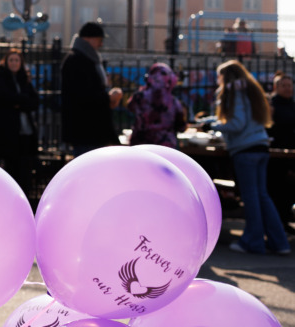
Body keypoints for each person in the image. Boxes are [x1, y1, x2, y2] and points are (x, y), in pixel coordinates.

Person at [203, 60, 290, 255]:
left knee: (250, 198)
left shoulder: (233, 92)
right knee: (262, 196)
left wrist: (213, 126)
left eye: (220, 76)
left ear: (226, 76)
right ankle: (279, 242)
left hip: (245, 150)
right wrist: (213, 122)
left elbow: (237, 124)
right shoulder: (251, 90)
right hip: (260, 146)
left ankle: (253, 242)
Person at [60, 21, 123, 157]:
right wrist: (108, 97)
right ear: (87, 38)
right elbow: (83, 95)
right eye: (99, 40)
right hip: (85, 130)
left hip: (92, 130)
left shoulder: (85, 58)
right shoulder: (76, 60)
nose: (101, 44)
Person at [0, 48, 39, 195]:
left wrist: (19, 103)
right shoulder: (1, 77)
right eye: (11, 60)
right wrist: (20, 101)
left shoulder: (24, 79)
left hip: (26, 130)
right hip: (9, 129)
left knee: (26, 166)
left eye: (17, 60)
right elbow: (4, 98)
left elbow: (34, 101)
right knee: (11, 165)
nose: (14, 63)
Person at [126, 62, 187, 148]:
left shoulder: (138, 97)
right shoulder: (173, 102)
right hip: (165, 147)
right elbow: (181, 127)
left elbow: (130, 107)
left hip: (140, 146)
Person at [267, 73, 295, 233]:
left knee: (289, 190)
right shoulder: (272, 106)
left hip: (291, 156)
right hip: (276, 156)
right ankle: (278, 225)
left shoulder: (292, 104)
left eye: (289, 85)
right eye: (284, 85)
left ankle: (284, 220)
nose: (288, 88)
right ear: (276, 87)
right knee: (277, 190)